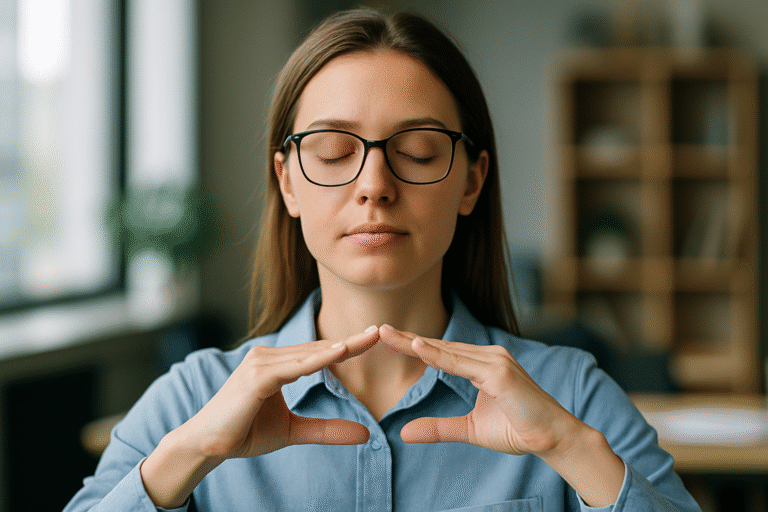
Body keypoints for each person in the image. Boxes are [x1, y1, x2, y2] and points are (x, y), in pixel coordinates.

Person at [65, 9, 701, 512]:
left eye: (419, 152)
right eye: (334, 152)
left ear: (472, 182)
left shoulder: (570, 396)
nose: (374, 185)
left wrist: (569, 448)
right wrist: (188, 457)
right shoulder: (194, 399)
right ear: (287, 183)